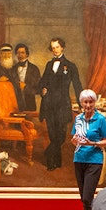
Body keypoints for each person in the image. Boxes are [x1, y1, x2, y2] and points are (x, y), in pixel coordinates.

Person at [71, 89, 106, 210]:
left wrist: (92, 143)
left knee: (88, 198)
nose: (88, 105)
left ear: (94, 103)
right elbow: (73, 138)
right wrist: (75, 140)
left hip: (94, 161)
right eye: (85, 102)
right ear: (81, 103)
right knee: (84, 199)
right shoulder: (78, 119)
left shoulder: (100, 119)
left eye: (91, 102)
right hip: (79, 159)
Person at [39, 37, 83, 170]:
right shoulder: (48, 64)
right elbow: (41, 83)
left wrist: (82, 104)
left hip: (62, 105)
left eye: (57, 47)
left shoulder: (70, 66)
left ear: (62, 47)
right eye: (53, 48)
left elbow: (77, 85)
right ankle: (54, 162)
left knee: (61, 135)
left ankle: (48, 153)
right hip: (49, 104)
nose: (55, 50)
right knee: (53, 134)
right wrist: (42, 90)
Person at [13, 42, 42, 112]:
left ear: (27, 54)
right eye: (18, 53)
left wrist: (25, 87)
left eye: (22, 53)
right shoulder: (12, 69)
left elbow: (38, 88)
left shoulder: (34, 69)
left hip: (30, 104)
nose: (20, 55)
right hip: (15, 103)